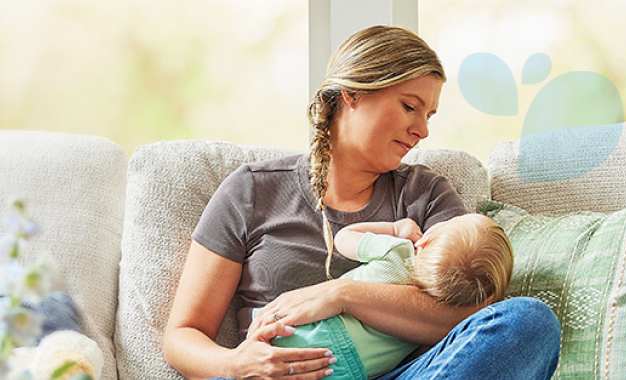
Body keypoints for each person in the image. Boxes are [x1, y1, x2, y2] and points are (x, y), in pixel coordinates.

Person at [163, 25, 561, 380]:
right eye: (410, 106)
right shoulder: (251, 191)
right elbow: (183, 336)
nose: (422, 129)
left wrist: (341, 295)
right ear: (352, 93)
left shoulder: (425, 193)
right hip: (279, 374)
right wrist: (238, 364)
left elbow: (475, 307)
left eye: (430, 115)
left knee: (529, 321)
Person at [267, 214, 514, 379]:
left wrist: (395, 229)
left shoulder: (397, 251)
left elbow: (343, 237)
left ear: (425, 242)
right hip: (347, 371)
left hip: (303, 332)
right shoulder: (434, 322)